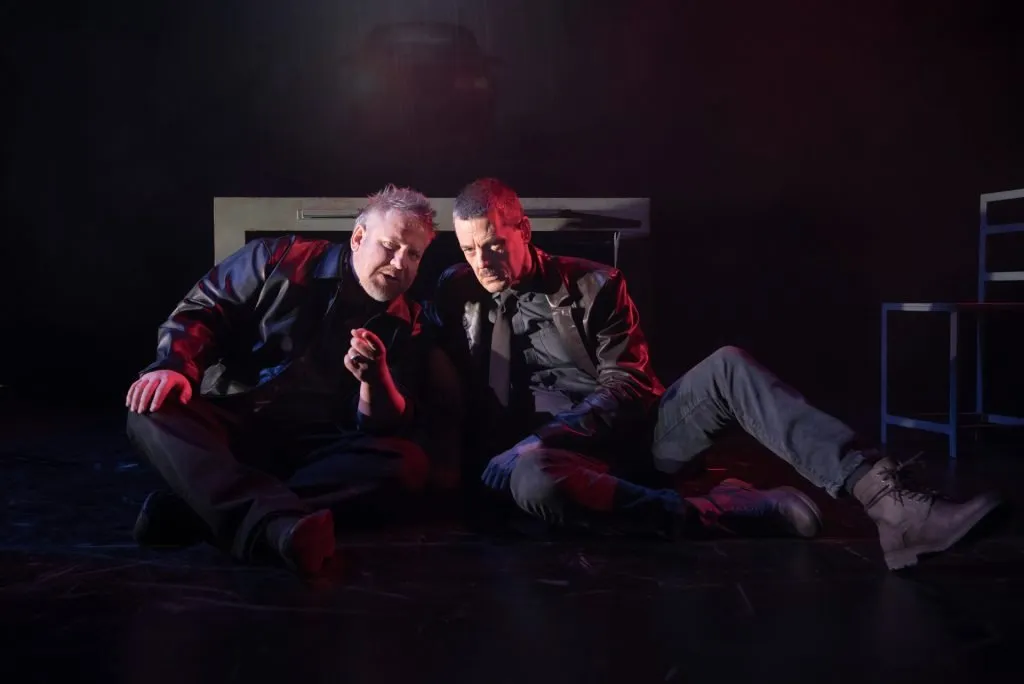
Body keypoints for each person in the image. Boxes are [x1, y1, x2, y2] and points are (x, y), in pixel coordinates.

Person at [430, 177, 1001, 570]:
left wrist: (542, 437)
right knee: (535, 483)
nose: (482, 263)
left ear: (524, 230)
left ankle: (891, 503)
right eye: (470, 250)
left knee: (728, 365)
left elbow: (628, 386)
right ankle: (725, 510)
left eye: (494, 246)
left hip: (631, 441)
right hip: (543, 465)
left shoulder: (594, 285)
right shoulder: (456, 290)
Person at [125, 185, 457, 576]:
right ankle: (276, 527)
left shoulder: (408, 323)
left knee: (407, 464)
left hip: (312, 449)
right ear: (358, 238)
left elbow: (383, 425)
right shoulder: (278, 258)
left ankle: (203, 511)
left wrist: (375, 379)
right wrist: (175, 365)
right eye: (390, 246)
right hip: (229, 425)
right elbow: (203, 309)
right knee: (152, 405)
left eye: (413, 255)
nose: (400, 264)